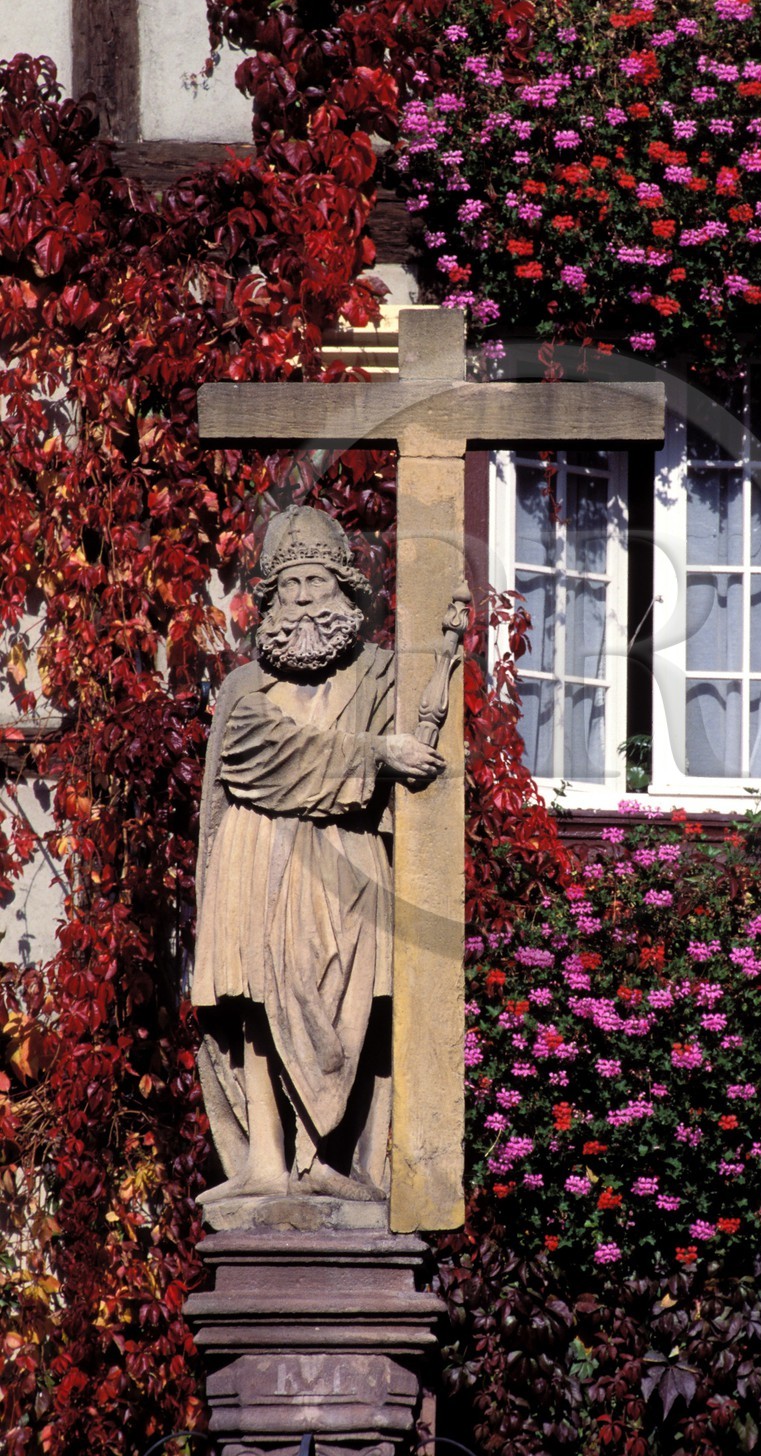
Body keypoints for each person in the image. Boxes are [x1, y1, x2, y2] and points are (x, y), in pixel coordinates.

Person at [193, 505, 444, 1202]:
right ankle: (266, 1162)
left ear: (343, 589)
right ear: (270, 600)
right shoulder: (245, 688)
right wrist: (373, 755)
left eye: (316, 582)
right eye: (290, 585)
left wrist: (446, 632)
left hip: (346, 866)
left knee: (347, 1004)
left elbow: (430, 745)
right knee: (258, 1001)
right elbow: (255, 756)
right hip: (256, 856)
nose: (303, 598)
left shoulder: (380, 677)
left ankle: (330, 1160)